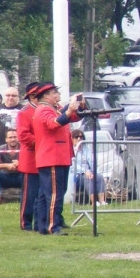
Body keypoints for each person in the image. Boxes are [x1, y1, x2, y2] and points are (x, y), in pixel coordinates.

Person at [33, 83, 82, 235]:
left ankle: (43, 225)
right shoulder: (44, 109)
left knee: (47, 194)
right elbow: (54, 123)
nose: (58, 95)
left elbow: (70, 117)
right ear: (46, 95)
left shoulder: (53, 108)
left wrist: (78, 107)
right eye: (54, 92)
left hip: (57, 157)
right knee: (54, 194)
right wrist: (69, 110)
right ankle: (52, 226)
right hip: (52, 156)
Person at [16, 82, 41, 231]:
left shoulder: (47, 109)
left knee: (41, 194)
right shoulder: (24, 112)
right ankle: (26, 223)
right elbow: (23, 136)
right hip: (31, 160)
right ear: (32, 96)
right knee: (29, 195)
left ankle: (39, 222)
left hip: (44, 157)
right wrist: (42, 142)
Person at [71, 129, 107, 207]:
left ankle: (102, 201)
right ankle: (93, 202)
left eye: (81, 137)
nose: (79, 139)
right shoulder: (71, 149)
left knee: (99, 177)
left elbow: (91, 161)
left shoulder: (86, 148)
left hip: (89, 172)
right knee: (87, 178)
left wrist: (93, 171)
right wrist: (84, 171)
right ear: (72, 138)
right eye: (76, 137)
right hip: (77, 175)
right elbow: (73, 164)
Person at [0, 128, 23, 197]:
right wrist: (7, 165)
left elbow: (31, 163)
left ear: (18, 138)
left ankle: (26, 195)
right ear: (6, 139)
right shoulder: (1, 148)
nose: (13, 139)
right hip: (5, 176)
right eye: (10, 137)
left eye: (15, 137)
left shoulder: (23, 148)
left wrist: (20, 164)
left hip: (20, 176)